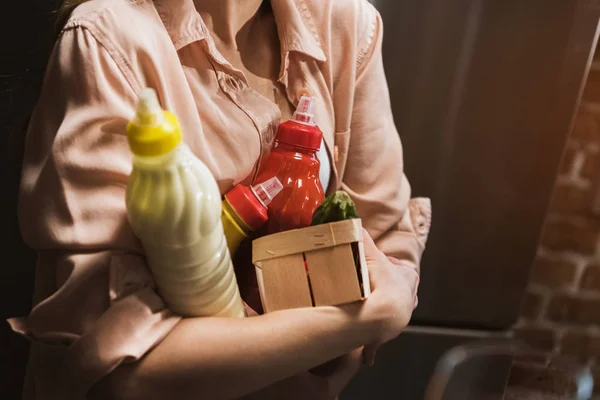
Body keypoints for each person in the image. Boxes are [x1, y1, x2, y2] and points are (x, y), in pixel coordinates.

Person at [9, 0, 432, 398]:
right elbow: (122, 371)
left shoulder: (344, 22)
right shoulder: (107, 39)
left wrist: (375, 311)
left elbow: (387, 235)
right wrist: (362, 321)